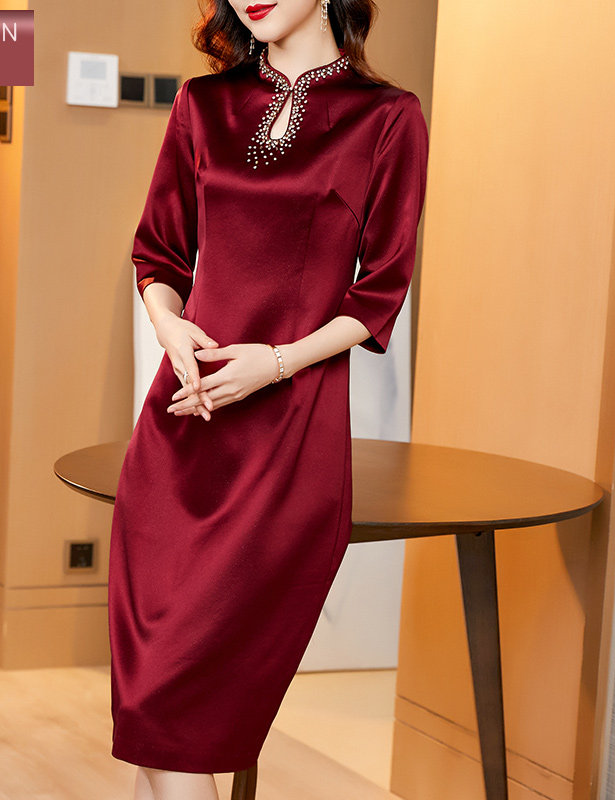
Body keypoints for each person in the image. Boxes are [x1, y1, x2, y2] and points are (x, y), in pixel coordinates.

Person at [109, 1, 429, 798]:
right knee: (155, 718)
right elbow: (158, 253)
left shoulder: (388, 119)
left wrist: (276, 363)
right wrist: (171, 330)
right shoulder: (203, 104)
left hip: (288, 441)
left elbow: (379, 292)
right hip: (181, 428)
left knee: (179, 717)